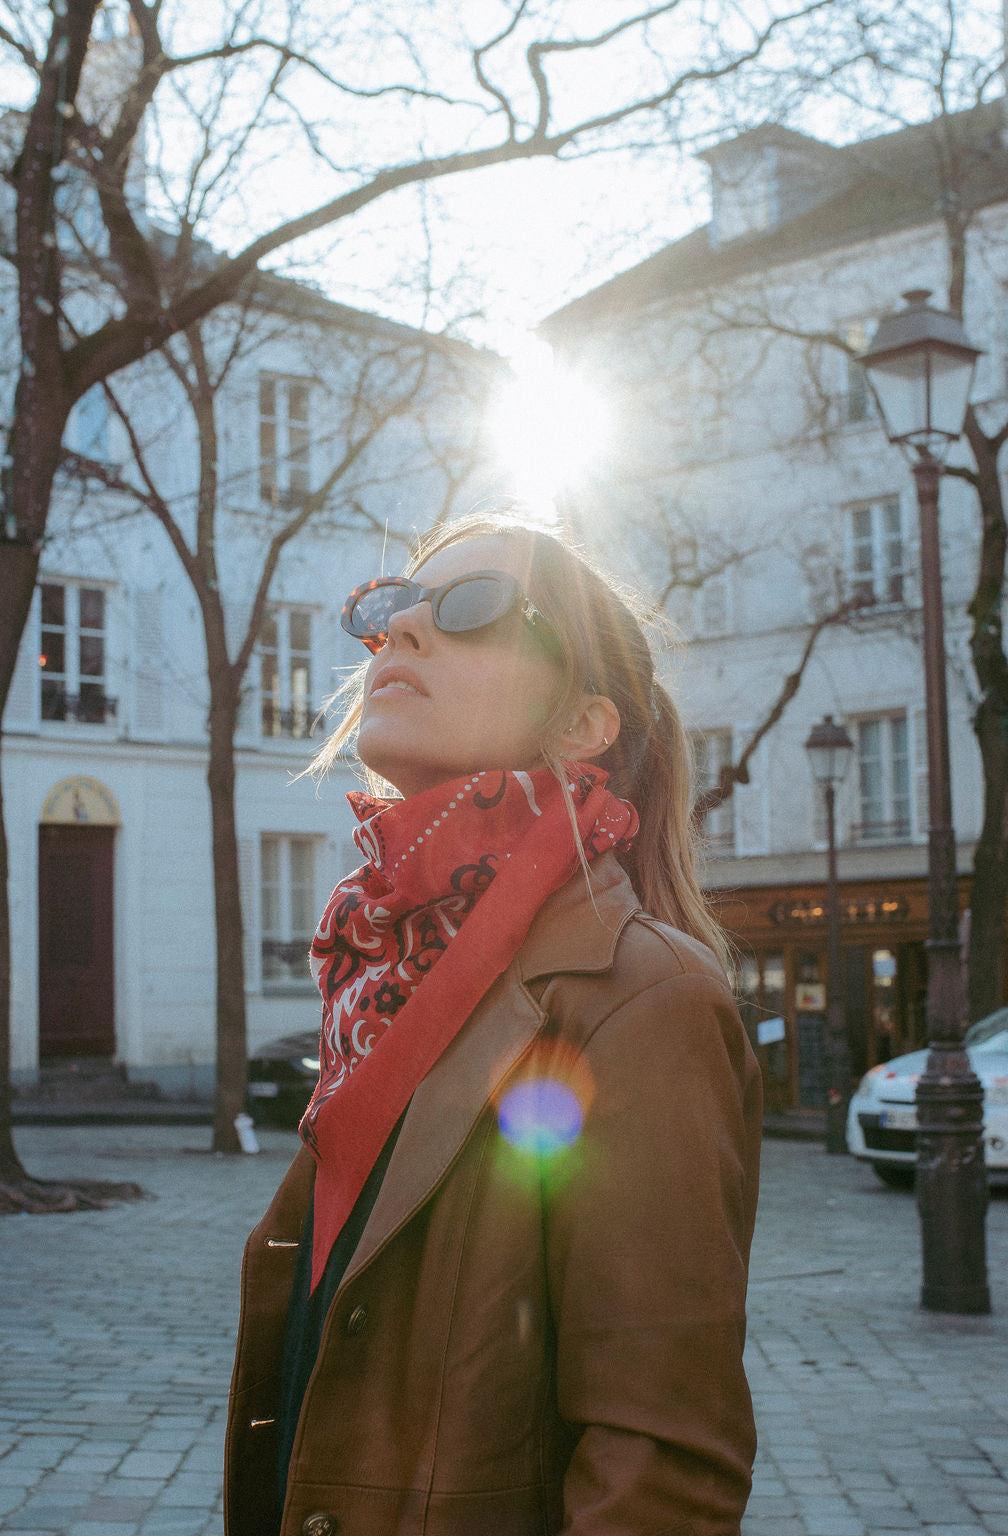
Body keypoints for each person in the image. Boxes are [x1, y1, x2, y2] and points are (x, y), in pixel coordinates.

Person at [224, 513, 762, 1536]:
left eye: (469, 609)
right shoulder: (376, 973)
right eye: (390, 608)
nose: (403, 632)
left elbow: (660, 1470)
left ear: (582, 723)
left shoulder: (642, 997)